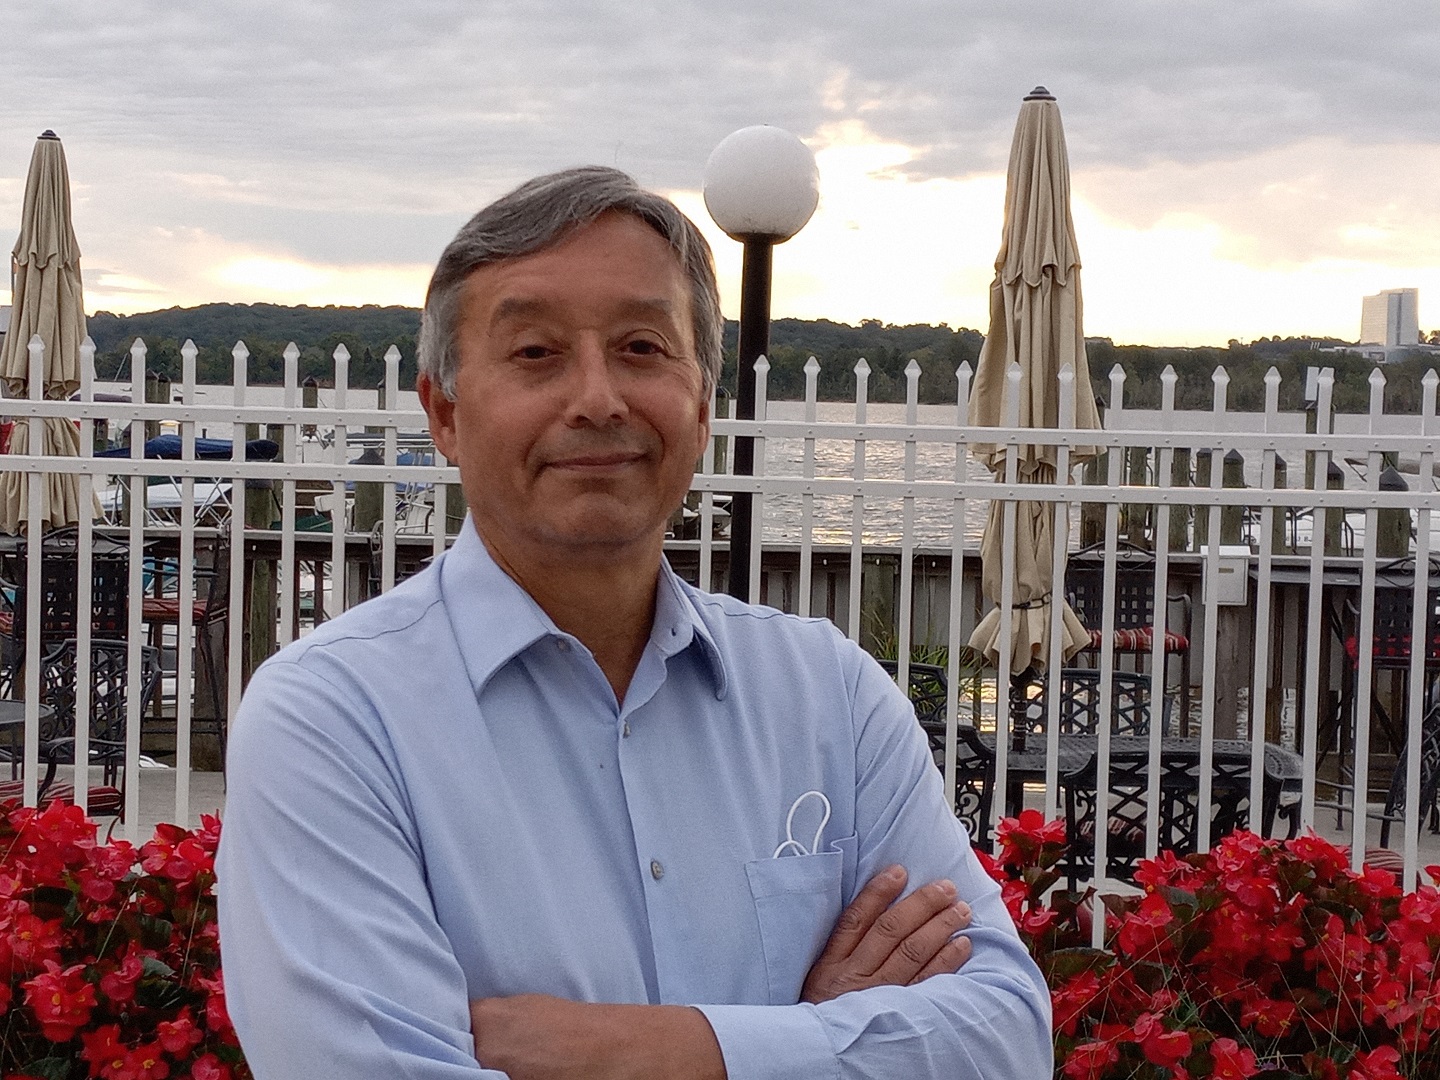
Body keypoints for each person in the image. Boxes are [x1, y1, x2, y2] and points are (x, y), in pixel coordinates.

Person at [216, 166, 1052, 1079]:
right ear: (445, 413)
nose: (598, 398)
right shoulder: (333, 718)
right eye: (535, 352)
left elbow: (1005, 1038)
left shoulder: (829, 696)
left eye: (643, 347)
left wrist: (656, 1051)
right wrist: (811, 1038)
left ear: (702, 405)